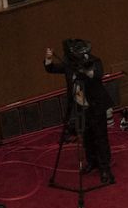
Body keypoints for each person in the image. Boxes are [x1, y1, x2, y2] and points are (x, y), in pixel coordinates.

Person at [44, 39, 114, 183]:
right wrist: (49, 58)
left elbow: (97, 75)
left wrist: (86, 70)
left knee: (100, 137)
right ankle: (92, 162)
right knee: (86, 137)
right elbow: (50, 68)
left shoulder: (95, 61)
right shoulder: (69, 65)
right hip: (80, 108)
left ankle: (105, 168)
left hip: (95, 106)